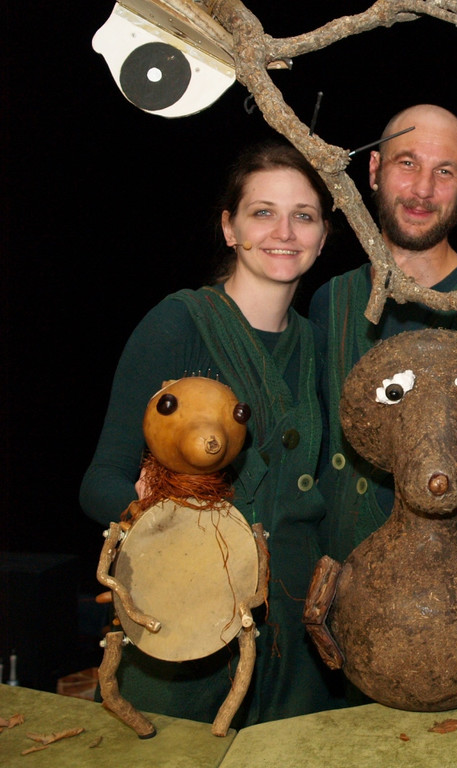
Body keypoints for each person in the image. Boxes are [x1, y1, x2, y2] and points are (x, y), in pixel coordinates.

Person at [80, 141, 345, 725]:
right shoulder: (178, 325)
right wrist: (158, 527)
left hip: (298, 637)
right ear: (229, 228)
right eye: (262, 212)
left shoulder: (321, 345)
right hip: (185, 626)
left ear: (323, 236)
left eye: (303, 216)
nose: (284, 231)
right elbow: (101, 478)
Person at [309, 104, 457, 566]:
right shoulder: (330, 300)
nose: (423, 189)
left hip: (437, 585)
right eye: (407, 163)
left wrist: (453, 431)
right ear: (374, 170)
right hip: (326, 577)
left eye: (444, 172)